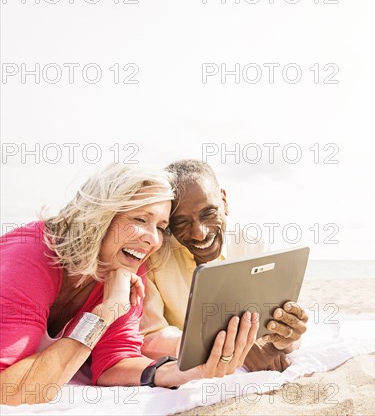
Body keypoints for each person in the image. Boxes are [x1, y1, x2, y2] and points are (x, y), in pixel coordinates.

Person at [0, 164, 258, 406]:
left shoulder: (123, 265)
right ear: (99, 216)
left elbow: (115, 359)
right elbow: (10, 391)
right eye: (139, 220)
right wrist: (104, 313)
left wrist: (182, 371)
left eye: (161, 226)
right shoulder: (28, 258)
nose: (153, 240)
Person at [141, 160, 309, 372]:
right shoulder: (154, 258)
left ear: (224, 201)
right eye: (181, 222)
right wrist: (235, 348)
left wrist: (287, 336)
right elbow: (149, 336)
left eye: (208, 213)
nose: (199, 233)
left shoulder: (253, 245)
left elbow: (278, 328)